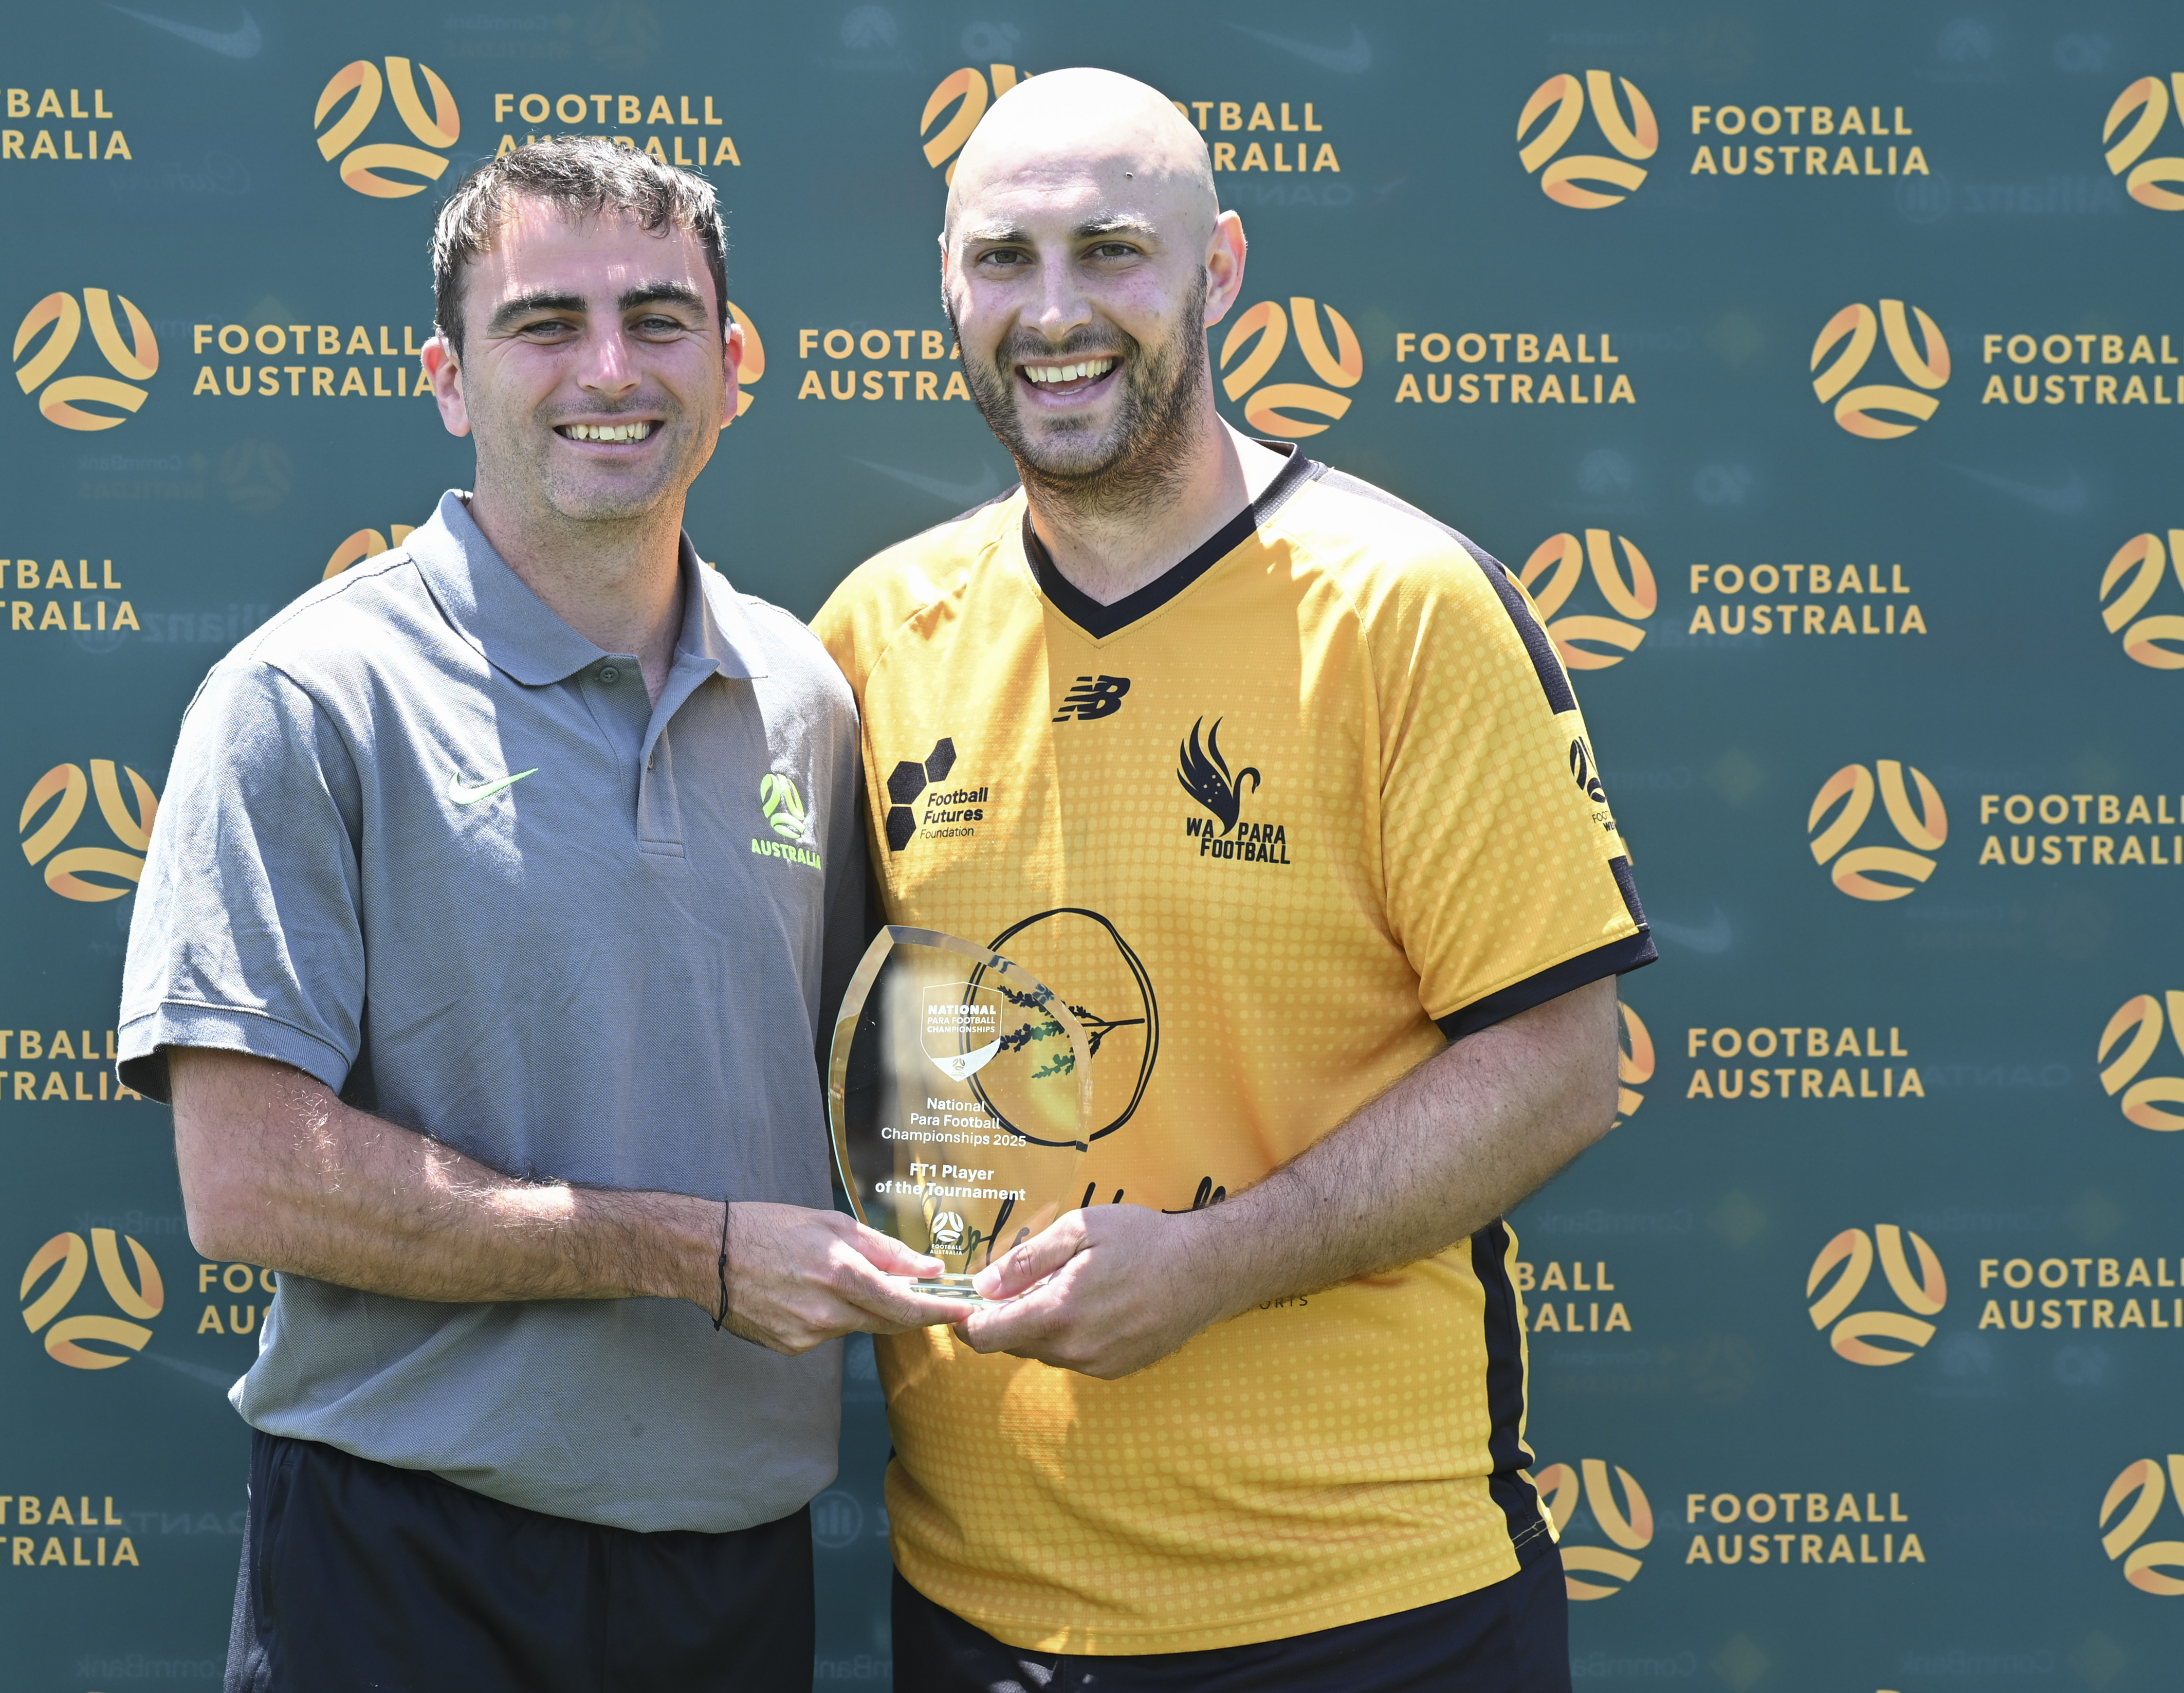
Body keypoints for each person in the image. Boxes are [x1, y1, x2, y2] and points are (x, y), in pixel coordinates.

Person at [811, 70, 1656, 1690]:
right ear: (945, 288)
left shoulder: (1401, 609)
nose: (1052, 311)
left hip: (1364, 1607)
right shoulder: (871, 636)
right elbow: (864, 1074)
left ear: (1219, 270)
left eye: (1110, 249)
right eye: (1002, 260)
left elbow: (1558, 1075)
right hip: (981, 1605)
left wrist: (1211, 1266)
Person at [115, 137, 965, 1692]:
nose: (607, 369)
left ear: (732, 364)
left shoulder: (805, 696)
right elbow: (249, 1190)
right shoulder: (306, 698)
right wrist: (689, 1254)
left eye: (656, 320)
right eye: (541, 325)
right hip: (404, 1555)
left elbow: (885, 1106)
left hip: (734, 1560)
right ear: (449, 378)